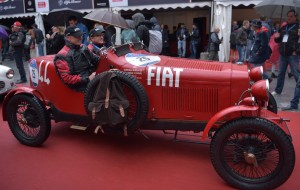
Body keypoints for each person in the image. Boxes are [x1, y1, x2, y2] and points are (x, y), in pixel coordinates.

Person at [54, 26, 101, 92]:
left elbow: (97, 60)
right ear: (68, 37)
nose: (80, 38)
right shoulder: (62, 55)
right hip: (79, 87)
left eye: (81, 35)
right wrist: (87, 79)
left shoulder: (83, 47)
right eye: (76, 36)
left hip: (92, 79)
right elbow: (66, 78)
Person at [272, 10, 299, 96]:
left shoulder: (298, 28)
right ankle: (278, 90)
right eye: (288, 16)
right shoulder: (284, 27)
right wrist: (276, 38)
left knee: (296, 74)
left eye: (291, 16)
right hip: (283, 54)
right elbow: (278, 40)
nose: (289, 18)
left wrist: (297, 51)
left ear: (295, 17)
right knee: (280, 73)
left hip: (292, 54)